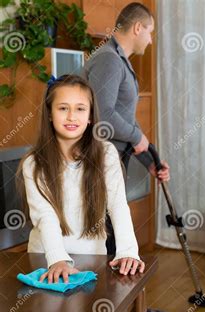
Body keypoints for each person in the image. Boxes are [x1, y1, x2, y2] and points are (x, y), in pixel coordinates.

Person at [82, 3, 169, 312]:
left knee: (117, 239)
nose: (151, 39)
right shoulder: (107, 59)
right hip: (100, 162)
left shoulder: (117, 59)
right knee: (112, 241)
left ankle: (126, 311)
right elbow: (103, 117)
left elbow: (122, 118)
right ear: (137, 28)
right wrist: (137, 137)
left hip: (115, 157)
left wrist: (148, 157)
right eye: (150, 32)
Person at [18, 75, 144, 284]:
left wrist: (128, 251)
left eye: (80, 109)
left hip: (93, 258)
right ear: (49, 113)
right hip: (46, 258)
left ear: (91, 116)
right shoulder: (34, 162)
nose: (71, 117)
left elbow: (118, 206)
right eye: (63, 108)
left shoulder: (107, 154)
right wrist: (58, 260)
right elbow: (45, 216)